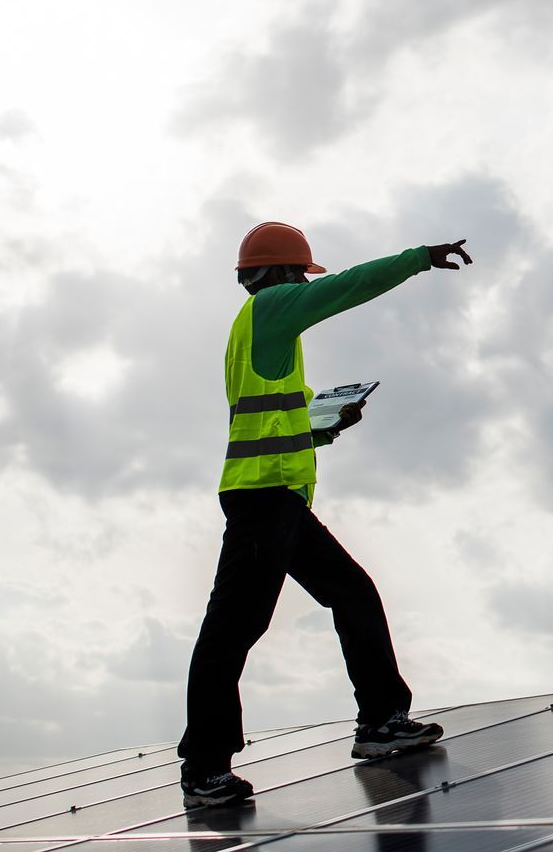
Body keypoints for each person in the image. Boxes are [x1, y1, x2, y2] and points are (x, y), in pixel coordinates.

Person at [177, 221, 474, 808]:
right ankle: (204, 769)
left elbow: (273, 422)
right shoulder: (272, 309)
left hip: (279, 496)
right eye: (301, 274)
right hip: (263, 498)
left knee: (353, 593)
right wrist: (419, 257)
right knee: (232, 630)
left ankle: (381, 722)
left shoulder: (260, 328)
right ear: (284, 273)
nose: (308, 284)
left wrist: (326, 428)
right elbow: (349, 286)